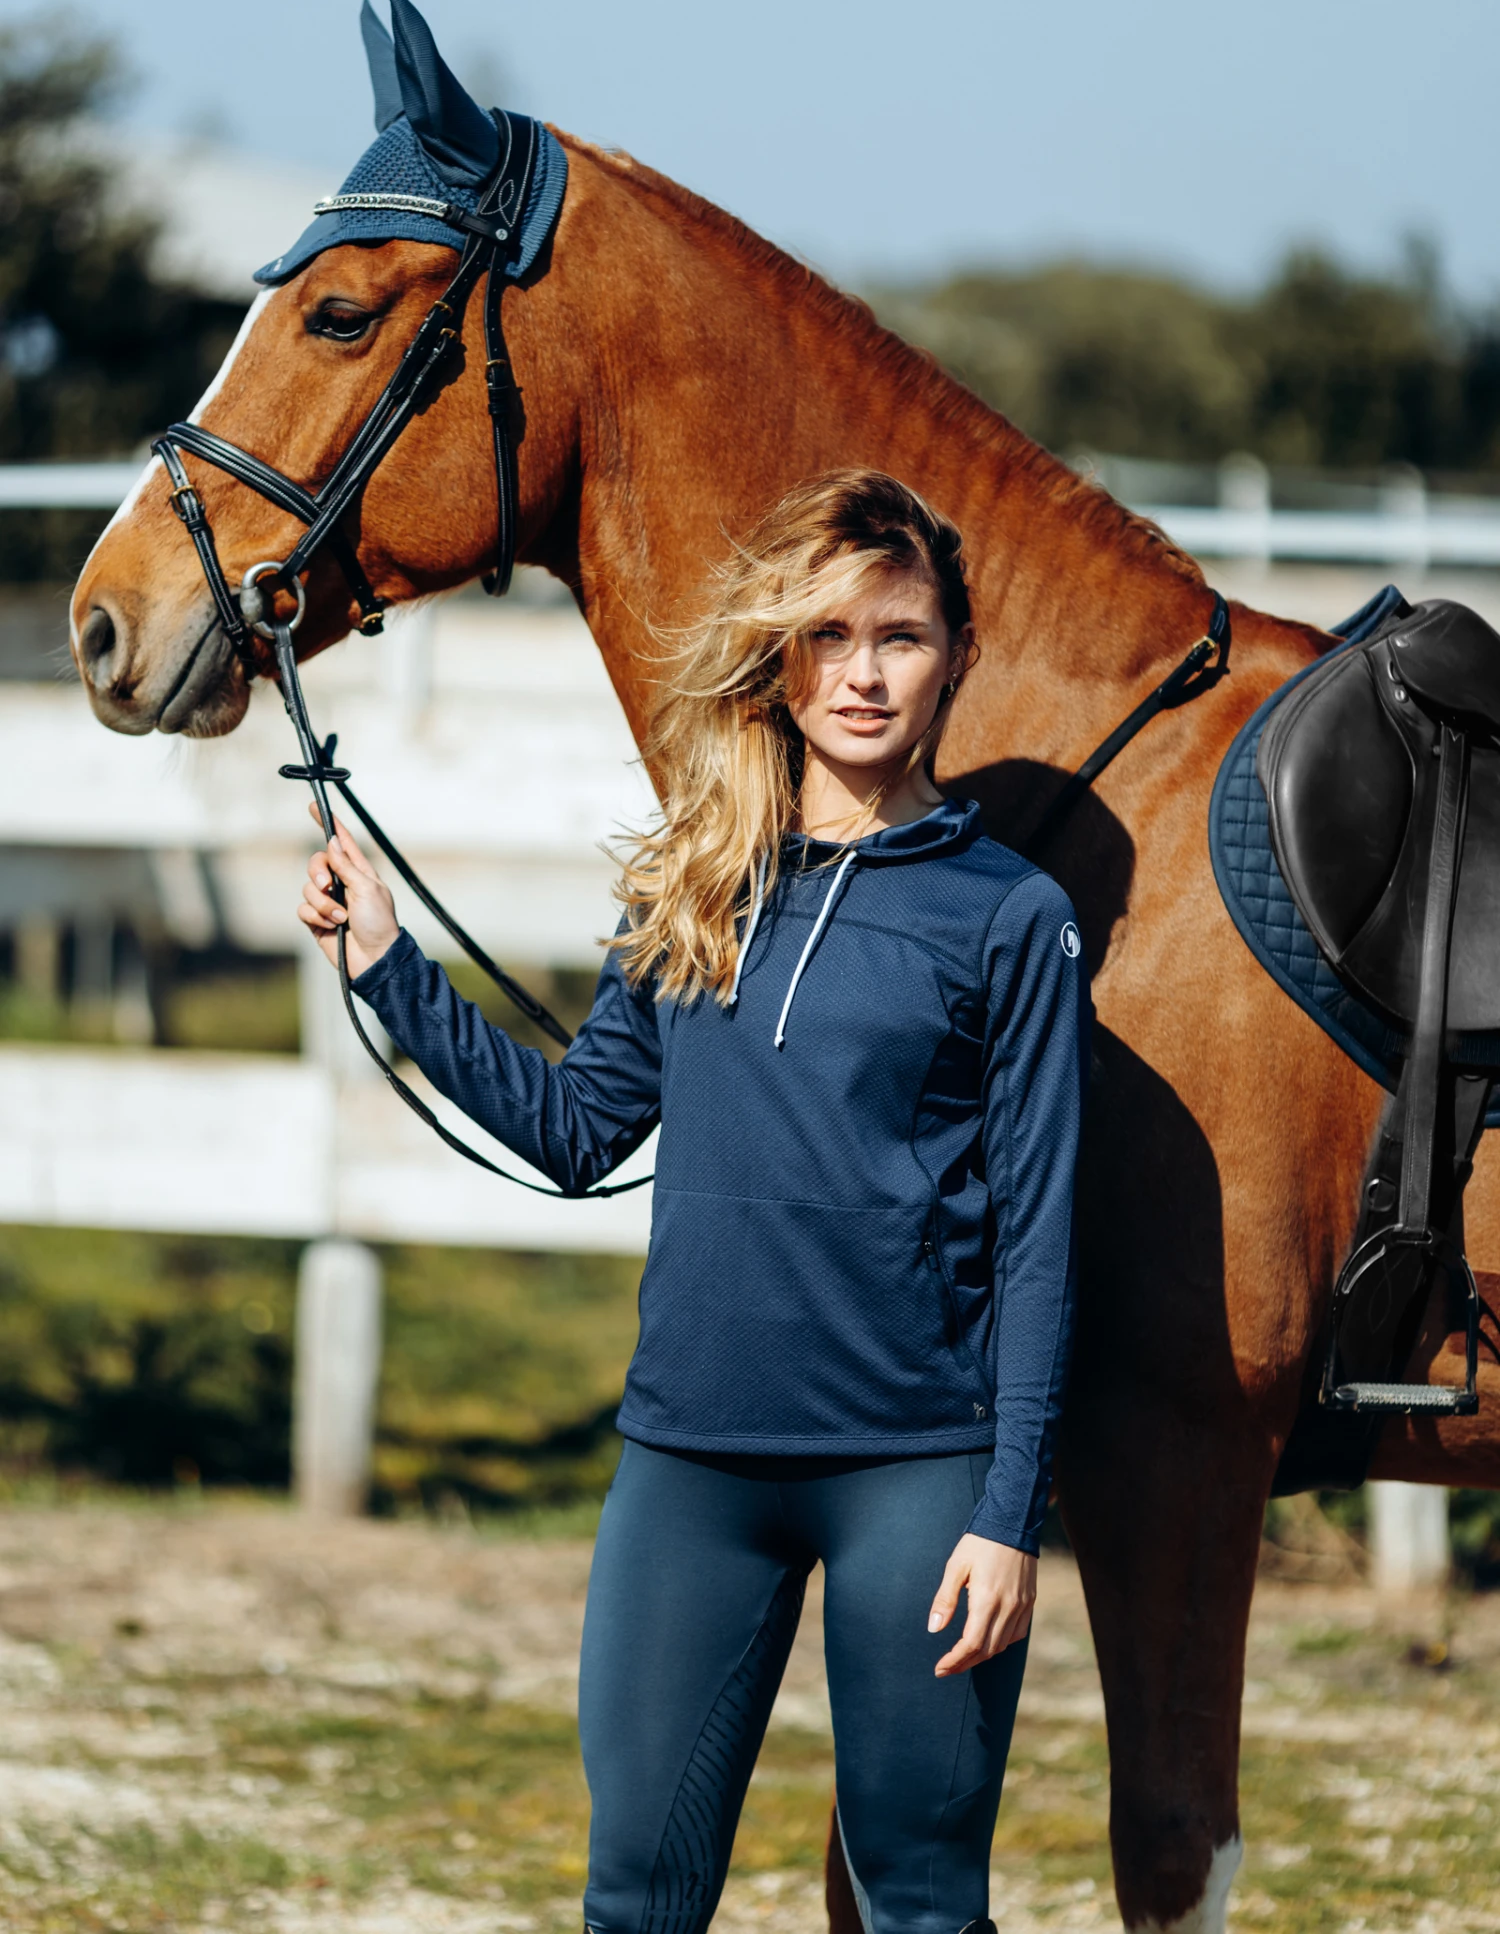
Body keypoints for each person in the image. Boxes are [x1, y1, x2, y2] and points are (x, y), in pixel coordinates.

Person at [299, 470, 1090, 1934]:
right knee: (637, 1898)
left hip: (916, 1474)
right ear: (781, 653)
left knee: (921, 1904)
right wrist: (390, 973)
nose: (861, 672)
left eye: (901, 636)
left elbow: (1043, 1239)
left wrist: (1008, 1511)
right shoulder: (691, 881)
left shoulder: (1010, 917)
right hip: (689, 1468)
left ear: (958, 656)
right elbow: (576, 1128)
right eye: (830, 633)